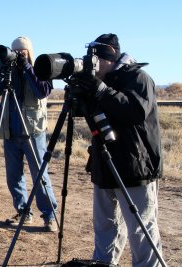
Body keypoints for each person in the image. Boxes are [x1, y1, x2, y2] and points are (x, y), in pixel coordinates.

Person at [75, 33, 164, 266]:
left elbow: (135, 111)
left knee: (141, 229)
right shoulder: (99, 83)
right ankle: (103, 263)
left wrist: (101, 90)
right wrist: (81, 95)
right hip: (104, 163)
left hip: (135, 166)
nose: (91, 65)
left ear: (111, 58)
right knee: (105, 225)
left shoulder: (138, 78)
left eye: (96, 60)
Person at [0, 36, 58, 232]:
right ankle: (23, 212)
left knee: (39, 175)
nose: (18, 54)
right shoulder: (9, 71)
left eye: (22, 51)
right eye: (15, 51)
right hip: (11, 130)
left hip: (33, 131)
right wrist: (1, 68)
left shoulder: (40, 69)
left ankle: (49, 216)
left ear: (29, 52)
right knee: (13, 176)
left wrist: (27, 67)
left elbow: (42, 91)